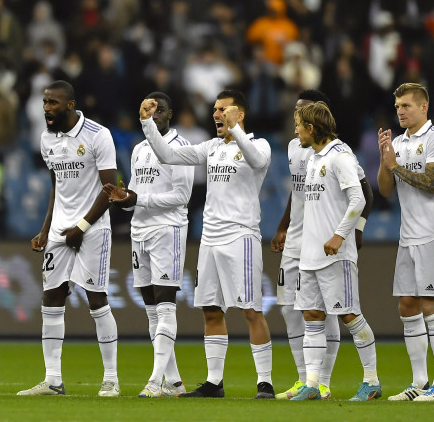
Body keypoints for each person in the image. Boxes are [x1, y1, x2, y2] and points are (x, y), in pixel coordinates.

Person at [138, 90, 274, 399]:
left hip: (242, 236)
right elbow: (169, 155)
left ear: (240, 115)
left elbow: (256, 159)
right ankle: (214, 383)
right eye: (215, 109)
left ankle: (264, 382)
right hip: (210, 238)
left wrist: (236, 130)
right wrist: (147, 123)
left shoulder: (258, 145)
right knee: (211, 309)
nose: (217, 114)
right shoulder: (211, 147)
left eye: (224, 109)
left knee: (251, 310)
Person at [17, 80, 120, 397]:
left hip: (93, 229)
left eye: (53, 103)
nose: (47, 108)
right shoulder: (47, 139)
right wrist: (46, 228)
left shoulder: (97, 135)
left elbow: (111, 189)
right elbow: (56, 186)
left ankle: (111, 379)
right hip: (61, 230)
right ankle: (52, 380)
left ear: (70, 105)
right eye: (45, 102)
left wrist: (83, 227)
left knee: (96, 298)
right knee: (51, 297)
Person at [272, 89, 374, 400]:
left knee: (349, 316)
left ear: (311, 127)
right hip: (308, 253)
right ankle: (313, 385)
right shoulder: (314, 158)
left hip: (335, 253)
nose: (295, 131)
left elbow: (359, 198)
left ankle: (372, 380)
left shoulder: (339, 155)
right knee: (311, 316)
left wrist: (341, 234)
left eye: (298, 124)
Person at [104, 91, 194, 397]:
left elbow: (182, 197)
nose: (155, 116)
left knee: (166, 307)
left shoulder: (182, 148)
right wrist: (124, 199)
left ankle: (155, 382)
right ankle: (176, 383)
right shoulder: (139, 148)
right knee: (152, 311)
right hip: (138, 231)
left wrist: (138, 198)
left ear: (170, 114)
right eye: (150, 111)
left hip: (167, 230)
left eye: (161, 111)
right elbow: (135, 192)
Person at [377, 82, 434, 401]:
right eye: (397, 107)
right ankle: (419, 381)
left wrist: (396, 165)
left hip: (433, 234)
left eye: (406, 106)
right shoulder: (399, 142)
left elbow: (433, 183)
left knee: (432, 305)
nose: (400, 111)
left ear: (424, 106)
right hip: (407, 236)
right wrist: (385, 161)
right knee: (407, 305)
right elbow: (385, 190)